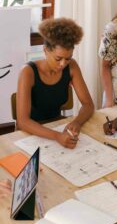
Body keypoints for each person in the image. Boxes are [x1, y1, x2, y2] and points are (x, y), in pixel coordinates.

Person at [17, 17, 94, 149]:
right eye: (58, 58)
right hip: (29, 133)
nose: (63, 64)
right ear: (46, 50)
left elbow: (88, 105)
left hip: (56, 126)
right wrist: (57, 136)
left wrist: (77, 122)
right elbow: (23, 121)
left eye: (68, 58)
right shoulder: (28, 72)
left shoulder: (72, 67)